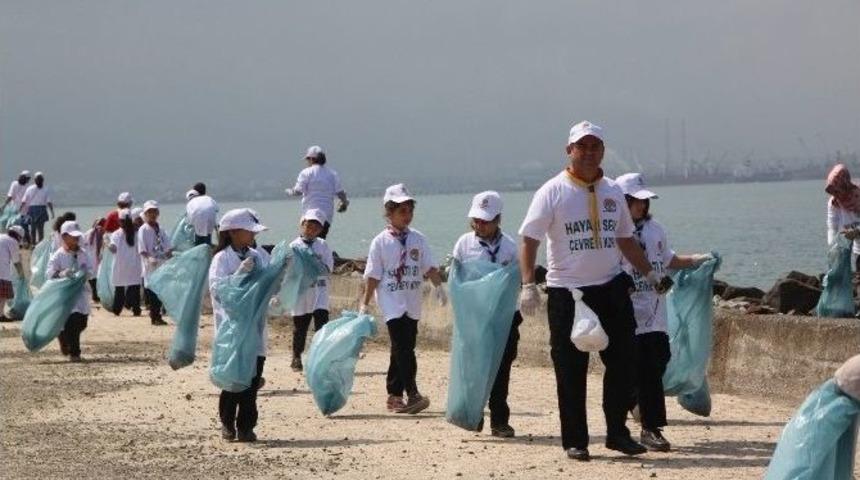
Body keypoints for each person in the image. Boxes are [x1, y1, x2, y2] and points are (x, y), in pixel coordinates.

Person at [517, 121, 673, 461]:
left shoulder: (613, 191)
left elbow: (625, 239)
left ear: (603, 150)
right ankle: (576, 440)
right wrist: (528, 284)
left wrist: (650, 273)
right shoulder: (552, 191)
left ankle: (617, 433)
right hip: (568, 292)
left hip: (611, 287)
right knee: (570, 368)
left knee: (624, 363)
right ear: (569, 150)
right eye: (582, 146)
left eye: (595, 146)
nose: (588, 152)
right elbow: (529, 239)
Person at [615, 172, 712, 452]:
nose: (642, 206)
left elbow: (669, 259)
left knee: (658, 361)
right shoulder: (612, 233)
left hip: (655, 312)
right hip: (626, 312)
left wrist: (697, 261)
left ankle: (644, 416)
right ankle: (645, 422)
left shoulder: (655, 229)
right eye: (636, 201)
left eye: (644, 201)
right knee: (634, 367)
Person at [360, 183, 446, 414]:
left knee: (402, 348)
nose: (407, 216)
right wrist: (365, 304)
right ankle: (413, 393)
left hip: (412, 300)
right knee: (404, 348)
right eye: (402, 211)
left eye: (410, 211)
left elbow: (429, 266)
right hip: (391, 301)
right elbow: (373, 275)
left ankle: (394, 396)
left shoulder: (418, 239)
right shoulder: (380, 242)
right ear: (389, 213)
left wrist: (439, 287)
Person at [451, 191, 521, 438]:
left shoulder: (510, 247)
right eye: (476, 220)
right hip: (475, 318)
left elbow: (515, 279)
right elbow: (457, 280)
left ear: (497, 219)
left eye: (485, 221)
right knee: (473, 367)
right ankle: (472, 413)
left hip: (505, 318)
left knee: (501, 368)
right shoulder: (464, 245)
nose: (480, 225)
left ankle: (499, 420)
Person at [209, 208, 270, 442]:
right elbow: (218, 290)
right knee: (233, 379)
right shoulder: (221, 259)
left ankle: (246, 426)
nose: (254, 235)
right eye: (249, 231)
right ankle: (227, 423)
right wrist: (238, 274)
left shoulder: (258, 255)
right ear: (233, 232)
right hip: (232, 329)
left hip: (255, 325)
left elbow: (267, 281)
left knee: (253, 380)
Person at [288, 208, 334, 372]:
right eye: (309, 226)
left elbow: (328, 268)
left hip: (320, 291)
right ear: (302, 225)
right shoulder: (294, 246)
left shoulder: (323, 245)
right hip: (301, 293)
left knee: (322, 325)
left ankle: (319, 357)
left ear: (320, 230)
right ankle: (296, 356)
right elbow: (289, 270)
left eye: (316, 228)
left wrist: (316, 265)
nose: (311, 230)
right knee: (300, 327)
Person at [47, 221, 94, 362]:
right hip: (65, 295)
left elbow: (91, 270)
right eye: (73, 237)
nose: (76, 239)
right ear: (64, 236)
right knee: (73, 320)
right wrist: (62, 273)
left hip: (80, 293)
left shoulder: (83, 253)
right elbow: (49, 273)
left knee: (82, 322)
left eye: (77, 237)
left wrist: (86, 273)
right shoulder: (58, 255)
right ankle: (75, 353)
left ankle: (62, 335)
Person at [285, 145, 349, 239]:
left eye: (308, 159)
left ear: (312, 159)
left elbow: (298, 191)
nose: (307, 162)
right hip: (326, 216)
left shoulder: (306, 172)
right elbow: (340, 193)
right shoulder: (332, 174)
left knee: (305, 242)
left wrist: (289, 191)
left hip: (310, 215)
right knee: (320, 241)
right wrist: (344, 202)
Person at [137, 201, 172, 325]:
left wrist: (171, 256)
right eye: (149, 212)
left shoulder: (161, 229)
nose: (152, 214)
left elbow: (167, 246)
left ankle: (158, 316)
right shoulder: (143, 229)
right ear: (145, 214)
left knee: (160, 290)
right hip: (151, 265)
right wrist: (149, 258)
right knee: (152, 291)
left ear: (158, 213)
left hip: (161, 263)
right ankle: (154, 316)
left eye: (154, 212)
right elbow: (142, 249)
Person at [108, 209, 143, 317]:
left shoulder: (116, 234)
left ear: (119, 221)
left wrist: (107, 243)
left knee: (119, 288)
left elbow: (113, 248)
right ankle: (136, 309)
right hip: (134, 264)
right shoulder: (137, 233)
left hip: (120, 265)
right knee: (135, 287)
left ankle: (117, 310)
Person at [19, 172, 54, 244]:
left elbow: (24, 200)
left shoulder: (31, 188)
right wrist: (52, 212)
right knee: (37, 229)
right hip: (38, 209)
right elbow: (49, 202)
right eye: (39, 179)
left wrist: (20, 209)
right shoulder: (44, 189)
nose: (39, 181)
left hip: (36, 209)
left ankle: (36, 244)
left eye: (39, 179)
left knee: (35, 229)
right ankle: (37, 244)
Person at [0, 226, 26, 322]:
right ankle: (0, 315)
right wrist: (21, 274)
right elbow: (16, 261)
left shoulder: (1, 236)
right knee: (2, 295)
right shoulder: (13, 242)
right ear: (18, 236)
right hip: (2, 271)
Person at [84, 218, 106, 303]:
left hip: (90, 257)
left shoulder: (88, 232)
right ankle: (95, 294)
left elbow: (83, 244)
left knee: (92, 277)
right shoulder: (102, 233)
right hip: (96, 258)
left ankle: (95, 294)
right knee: (96, 277)